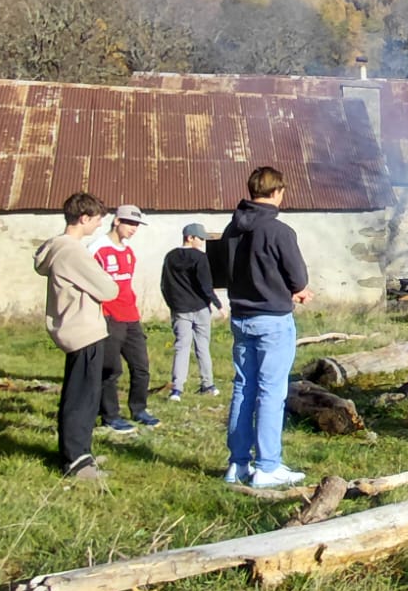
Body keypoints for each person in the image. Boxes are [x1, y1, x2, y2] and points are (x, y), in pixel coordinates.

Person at [223, 166, 312, 489]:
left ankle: (237, 464)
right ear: (278, 192)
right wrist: (296, 291)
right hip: (272, 320)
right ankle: (267, 466)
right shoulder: (279, 231)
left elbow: (227, 272)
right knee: (271, 392)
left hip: (241, 317)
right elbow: (298, 279)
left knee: (242, 388)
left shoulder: (232, 229)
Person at [33, 192, 119, 481]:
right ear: (84, 218)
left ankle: (80, 452)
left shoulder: (59, 249)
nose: (98, 227)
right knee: (82, 397)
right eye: (96, 221)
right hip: (83, 329)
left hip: (77, 328)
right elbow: (109, 289)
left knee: (81, 393)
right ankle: (76, 461)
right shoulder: (72, 251)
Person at [90, 203, 159, 432]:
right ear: (117, 221)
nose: (133, 229)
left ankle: (139, 409)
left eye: (137, 224)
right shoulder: (98, 248)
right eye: (129, 223)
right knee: (111, 369)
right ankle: (110, 415)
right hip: (109, 317)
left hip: (131, 316)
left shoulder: (128, 250)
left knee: (141, 367)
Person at [161, 223, 225, 402]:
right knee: (202, 347)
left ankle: (177, 389)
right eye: (200, 238)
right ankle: (208, 385)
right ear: (190, 237)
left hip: (180, 309)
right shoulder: (200, 258)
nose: (203, 242)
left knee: (181, 347)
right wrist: (218, 305)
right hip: (200, 308)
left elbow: (164, 284)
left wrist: (173, 304)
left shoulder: (170, 257)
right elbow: (206, 284)